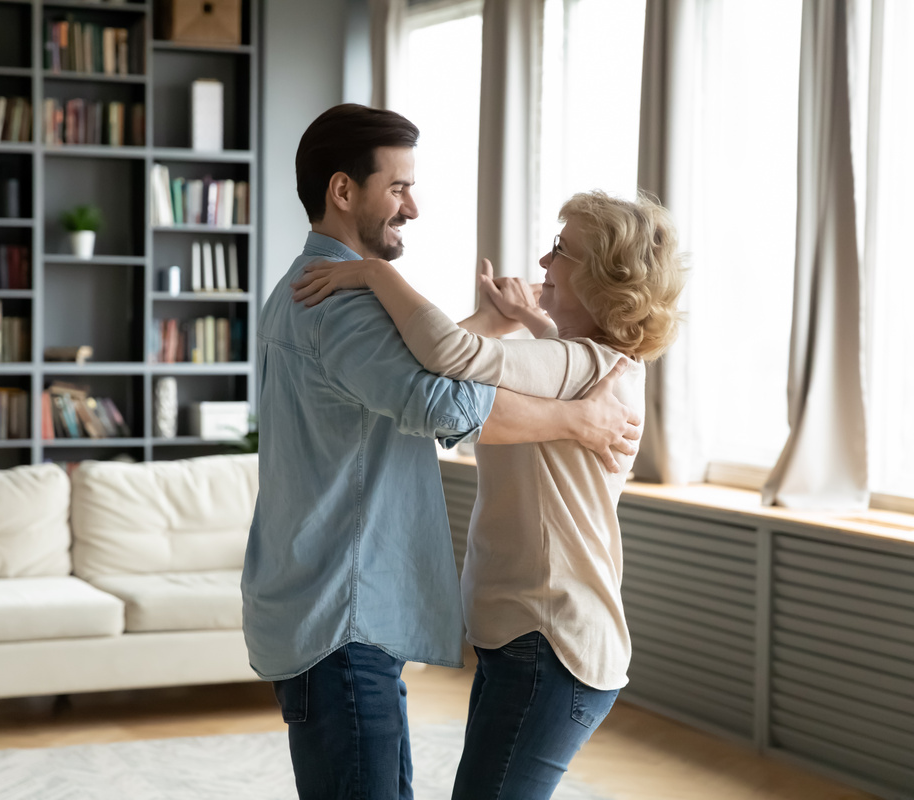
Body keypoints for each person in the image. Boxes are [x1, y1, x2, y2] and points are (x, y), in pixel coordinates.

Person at [240, 104, 643, 800]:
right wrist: (579, 422)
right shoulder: (341, 302)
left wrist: (491, 320)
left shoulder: (308, 292)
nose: (414, 207)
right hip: (346, 617)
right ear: (343, 191)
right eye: (398, 187)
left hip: (331, 613)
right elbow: (441, 405)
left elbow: (392, 375)